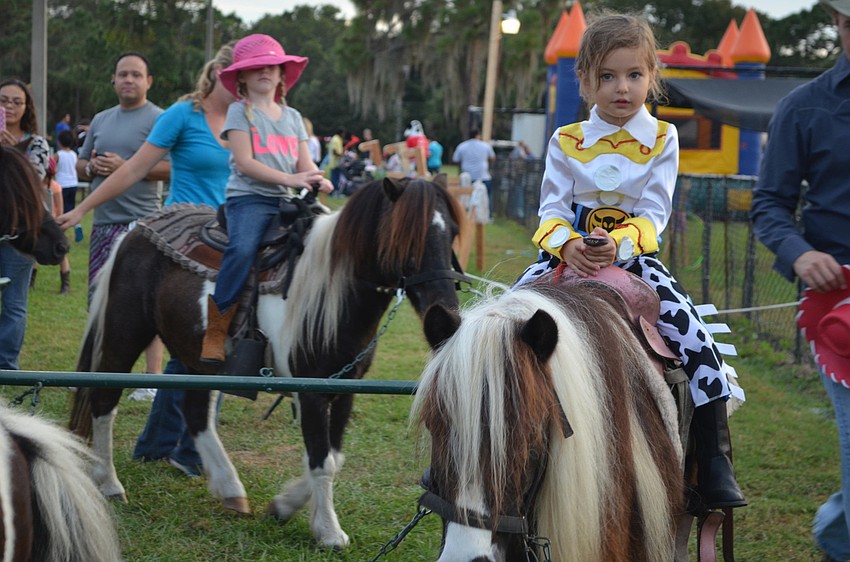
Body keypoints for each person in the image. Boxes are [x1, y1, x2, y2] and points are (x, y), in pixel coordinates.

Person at [516, 12, 746, 510]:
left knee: (696, 339)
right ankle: (483, 434)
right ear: (584, 80)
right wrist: (567, 244)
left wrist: (617, 246)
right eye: (607, 76)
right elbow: (551, 209)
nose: (622, 87)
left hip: (635, 261)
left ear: (651, 76)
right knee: (503, 328)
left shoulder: (663, 138)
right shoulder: (565, 140)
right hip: (565, 257)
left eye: (634, 74)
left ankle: (714, 461)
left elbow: (654, 213)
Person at [59, 43, 237, 478]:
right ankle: (188, 450)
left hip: (232, 238)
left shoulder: (248, 119)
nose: (241, 80)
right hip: (184, 242)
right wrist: (82, 209)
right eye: (234, 71)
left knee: (199, 347)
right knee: (204, 346)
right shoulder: (182, 114)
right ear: (217, 71)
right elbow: (134, 169)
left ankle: (160, 445)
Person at [751, 1, 850, 558]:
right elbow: (768, 204)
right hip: (838, 304)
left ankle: (836, 532)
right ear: (837, 23)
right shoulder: (803, 107)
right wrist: (800, 254)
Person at [199, 33, 332, 363]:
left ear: (282, 74)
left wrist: (317, 178)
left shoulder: (293, 117)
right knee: (242, 249)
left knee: (330, 241)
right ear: (241, 77)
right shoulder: (239, 112)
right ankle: (217, 328)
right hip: (249, 199)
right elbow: (245, 163)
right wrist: (291, 179)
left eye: (272, 66)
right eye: (256, 66)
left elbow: (304, 163)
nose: (265, 71)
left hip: (288, 199)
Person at [76, 51, 169, 388]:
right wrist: (93, 167)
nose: (129, 80)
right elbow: (80, 165)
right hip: (104, 222)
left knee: (146, 302)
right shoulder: (101, 119)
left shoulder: (161, 118)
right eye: (123, 74)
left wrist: (127, 167)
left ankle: (151, 379)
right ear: (113, 80)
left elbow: (171, 168)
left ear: (149, 81)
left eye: (136, 74)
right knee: (99, 298)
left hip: (144, 224)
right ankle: (95, 371)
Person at [1, 79, 51, 293]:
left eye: (16, 102)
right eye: (3, 101)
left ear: (26, 107)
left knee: (14, 302)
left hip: (20, 230)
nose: (9, 106)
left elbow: (33, 183)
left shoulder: (37, 144)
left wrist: (15, 153)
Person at [0, 146, 43, 369]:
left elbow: (38, 180)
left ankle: (6, 366)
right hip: (17, 231)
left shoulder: (33, 146)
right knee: (15, 305)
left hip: (19, 234)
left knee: (15, 304)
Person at [55, 130, 78, 292]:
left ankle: (63, 231)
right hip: (73, 183)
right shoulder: (74, 155)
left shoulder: (59, 155)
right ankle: (74, 227)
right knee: (70, 209)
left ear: (59, 142)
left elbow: (51, 167)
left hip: (62, 184)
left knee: (61, 212)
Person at [452, 128, 495, 215]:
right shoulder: (485, 145)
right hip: (483, 176)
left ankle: (467, 214)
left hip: (467, 177)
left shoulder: (462, 146)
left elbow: (455, 159)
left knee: (467, 198)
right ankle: (488, 215)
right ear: (478, 135)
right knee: (486, 198)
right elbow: (492, 157)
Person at [326, 127, 344, 192]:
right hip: (335, 162)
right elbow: (334, 150)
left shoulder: (336, 138)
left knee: (335, 176)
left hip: (335, 162)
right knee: (335, 177)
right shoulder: (336, 139)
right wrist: (340, 156)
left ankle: (334, 190)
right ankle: (334, 191)